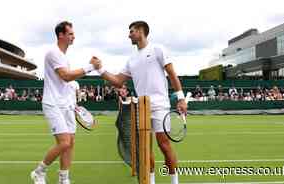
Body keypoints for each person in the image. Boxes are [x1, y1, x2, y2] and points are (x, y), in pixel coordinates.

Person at [92, 21, 187, 184]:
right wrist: (100, 69)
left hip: (160, 106)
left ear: (141, 31)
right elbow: (117, 80)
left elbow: (172, 73)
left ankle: (174, 181)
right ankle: (150, 181)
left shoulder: (158, 50)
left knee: (164, 145)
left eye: (132, 31)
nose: (129, 35)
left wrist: (181, 98)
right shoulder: (131, 60)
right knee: (145, 148)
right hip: (142, 107)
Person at [30, 21, 100, 184]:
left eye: (73, 34)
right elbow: (66, 76)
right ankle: (39, 171)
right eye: (70, 34)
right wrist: (90, 67)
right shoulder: (53, 53)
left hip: (66, 105)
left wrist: (72, 101)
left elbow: (66, 82)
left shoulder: (64, 57)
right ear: (61, 35)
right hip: (53, 104)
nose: (73, 36)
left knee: (70, 143)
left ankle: (63, 178)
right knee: (64, 142)